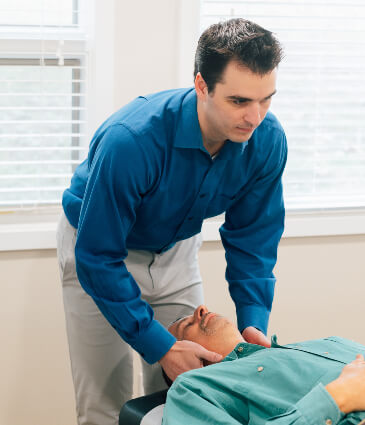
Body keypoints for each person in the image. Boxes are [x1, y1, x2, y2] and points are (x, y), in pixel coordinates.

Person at [56, 18, 287, 425]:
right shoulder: (132, 140)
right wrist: (158, 345)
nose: (255, 117)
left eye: (265, 99)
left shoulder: (266, 140)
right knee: (104, 404)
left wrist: (254, 323)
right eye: (238, 101)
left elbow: (253, 239)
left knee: (184, 391)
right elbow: (97, 255)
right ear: (202, 86)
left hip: (176, 251)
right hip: (99, 249)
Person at [163, 305, 365, 424]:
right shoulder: (194, 387)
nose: (201, 309)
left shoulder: (328, 341)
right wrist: (338, 397)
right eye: (186, 326)